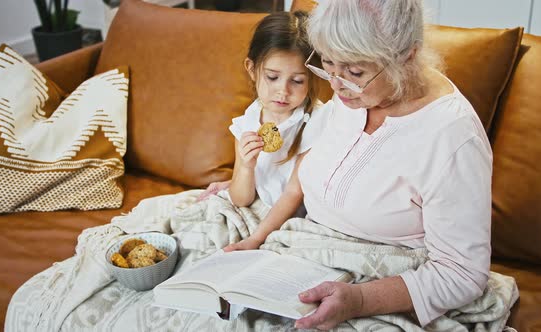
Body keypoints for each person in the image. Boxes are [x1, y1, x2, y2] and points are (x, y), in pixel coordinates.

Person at [227, 0, 494, 329]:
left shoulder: (452, 139)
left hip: (375, 281)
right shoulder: (354, 94)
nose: (336, 86)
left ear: (406, 58)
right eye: (326, 63)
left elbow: (462, 273)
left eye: (354, 72)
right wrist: (252, 225)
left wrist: (360, 299)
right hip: (297, 247)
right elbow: (300, 178)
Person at [197, 11, 324, 250]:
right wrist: (245, 167)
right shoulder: (249, 120)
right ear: (252, 69)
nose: (283, 91)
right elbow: (241, 198)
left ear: (311, 78)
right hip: (261, 203)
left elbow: (294, 193)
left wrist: (255, 239)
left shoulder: (315, 121)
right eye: (273, 77)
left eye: (297, 81)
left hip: (296, 215)